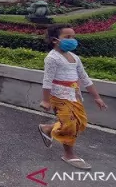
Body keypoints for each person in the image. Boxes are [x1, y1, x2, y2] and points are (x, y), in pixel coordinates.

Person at [37, 24, 107, 170]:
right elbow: (47, 80)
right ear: (55, 40)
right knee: (70, 125)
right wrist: (45, 100)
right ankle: (69, 155)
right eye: (67, 37)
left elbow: (85, 78)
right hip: (59, 96)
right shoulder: (52, 58)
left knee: (80, 122)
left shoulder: (75, 57)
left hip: (74, 95)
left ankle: (48, 128)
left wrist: (97, 97)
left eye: (73, 37)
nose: (72, 40)